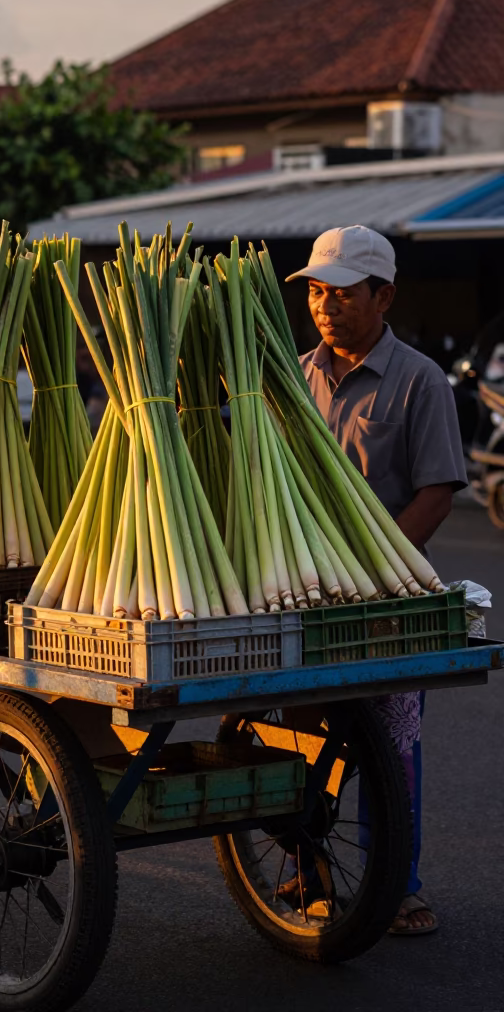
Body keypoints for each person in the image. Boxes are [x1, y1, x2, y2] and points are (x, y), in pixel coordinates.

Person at [286, 224, 467, 937]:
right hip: (301, 595)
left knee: (392, 747)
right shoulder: (294, 377)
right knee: (297, 740)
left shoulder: (421, 380)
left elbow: (437, 494)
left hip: (388, 601)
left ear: (384, 295)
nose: (327, 307)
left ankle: (401, 884)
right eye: (318, 293)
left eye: (344, 293)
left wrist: (373, 568)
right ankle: (308, 865)